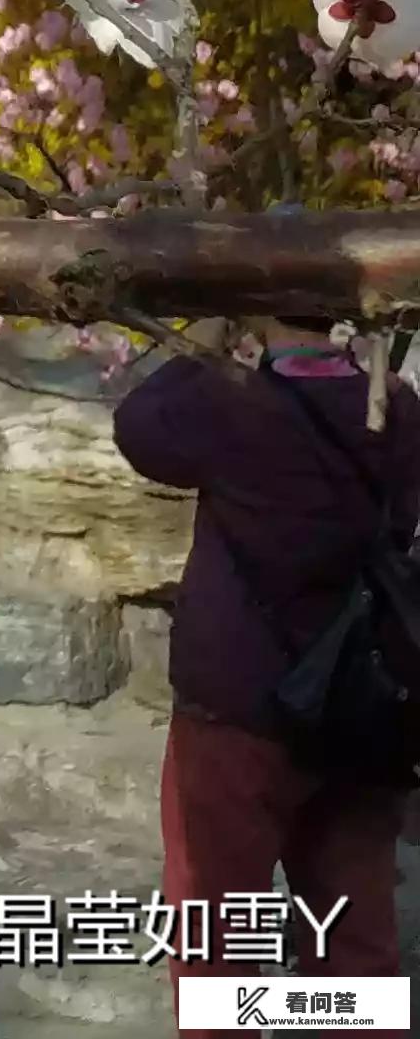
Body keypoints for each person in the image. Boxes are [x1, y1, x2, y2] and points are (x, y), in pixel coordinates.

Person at [111, 317, 420, 975]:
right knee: (354, 935)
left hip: (238, 704)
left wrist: (211, 337)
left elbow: (139, 424)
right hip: (363, 702)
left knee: (215, 927)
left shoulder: (232, 403)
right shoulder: (398, 410)